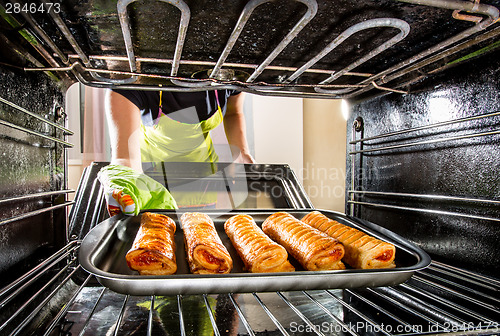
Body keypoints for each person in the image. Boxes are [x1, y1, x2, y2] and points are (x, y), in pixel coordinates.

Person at [97, 89, 255, 216]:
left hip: (203, 179)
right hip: (152, 180)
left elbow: (234, 113)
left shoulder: (225, 76)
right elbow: (125, 158)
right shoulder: (135, 83)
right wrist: (127, 182)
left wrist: (241, 153)